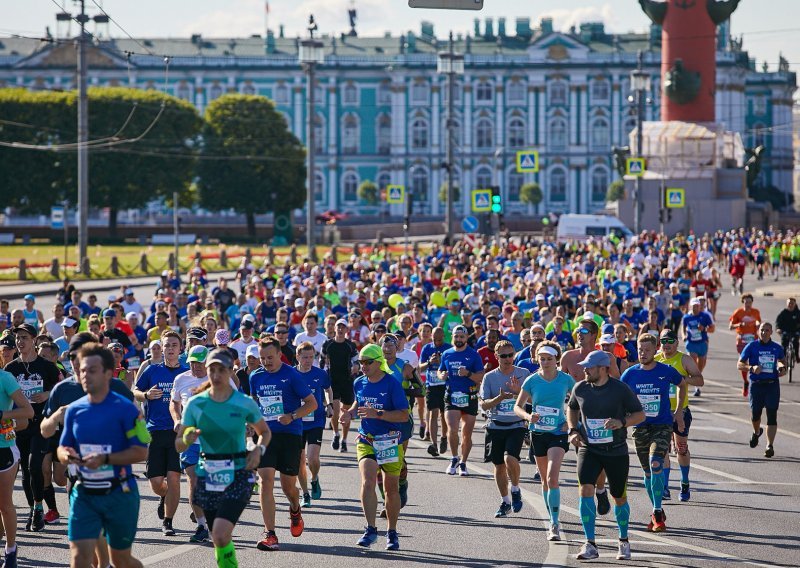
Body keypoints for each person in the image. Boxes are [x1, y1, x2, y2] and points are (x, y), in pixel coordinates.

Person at [57, 343, 150, 568]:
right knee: (79, 559)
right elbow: (62, 448)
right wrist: (66, 455)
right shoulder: (74, 410)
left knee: (120, 559)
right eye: (82, 371)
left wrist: (106, 459)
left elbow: (141, 451)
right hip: (85, 493)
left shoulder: (127, 409)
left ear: (108, 373)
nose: (85, 375)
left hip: (119, 493)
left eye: (92, 370)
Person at [176, 347, 270, 568]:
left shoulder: (243, 402)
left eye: (221, 370)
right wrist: (188, 437)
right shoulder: (196, 404)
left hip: (238, 472)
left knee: (219, 533)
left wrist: (258, 450)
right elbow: (179, 444)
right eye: (212, 370)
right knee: (219, 539)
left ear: (230, 371)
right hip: (207, 473)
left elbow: (265, 432)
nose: (216, 375)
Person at [566, 350, 645, 561]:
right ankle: (590, 543)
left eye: (589, 367)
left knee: (619, 496)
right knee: (585, 489)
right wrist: (573, 430)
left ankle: (624, 540)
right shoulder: (580, 387)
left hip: (616, 450)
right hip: (589, 448)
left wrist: (622, 422)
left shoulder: (620, 389)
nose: (584, 370)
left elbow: (640, 414)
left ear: (603, 368)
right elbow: (571, 408)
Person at [250, 336, 317, 551]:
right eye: (262, 358)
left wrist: (292, 416)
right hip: (266, 435)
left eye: (270, 357)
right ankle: (270, 533)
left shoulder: (291, 375)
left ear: (279, 355)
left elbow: (312, 403)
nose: (266, 362)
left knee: (288, 487)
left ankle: (295, 509)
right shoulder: (255, 376)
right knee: (265, 480)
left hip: (290, 435)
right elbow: (254, 403)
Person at [340, 343, 409, 550]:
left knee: (390, 490)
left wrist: (378, 414)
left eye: (367, 362)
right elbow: (358, 405)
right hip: (366, 439)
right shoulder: (359, 382)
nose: (363, 366)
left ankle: (392, 531)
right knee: (368, 481)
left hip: (389, 440)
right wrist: (349, 414)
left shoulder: (392, 384)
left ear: (378, 362)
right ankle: (370, 529)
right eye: (360, 362)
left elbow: (403, 415)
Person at [620, 334, 686, 532]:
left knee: (656, 462)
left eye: (647, 350)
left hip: (662, 425)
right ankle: (656, 508)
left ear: (655, 350)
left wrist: (679, 410)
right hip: (640, 427)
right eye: (640, 350)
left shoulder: (666, 371)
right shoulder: (630, 374)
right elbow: (620, 397)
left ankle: (657, 511)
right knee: (648, 473)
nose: (643, 353)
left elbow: (682, 384)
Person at [4, 323, 61, 532]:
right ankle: (33, 508)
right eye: (18, 338)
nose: (20, 342)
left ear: (34, 341)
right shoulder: (11, 368)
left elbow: (61, 386)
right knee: (26, 472)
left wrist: (47, 394)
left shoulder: (46, 367)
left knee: (35, 465)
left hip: (41, 424)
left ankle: (38, 508)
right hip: (19, 426)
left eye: (24, 338)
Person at [515, 341, 574, 541]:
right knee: (544, 480)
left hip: (558, 432)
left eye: (549, 359)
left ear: (557, 359)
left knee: (552, 477)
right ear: (537, 359)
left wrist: (570, 422)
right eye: (542, 359)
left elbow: (578, 402)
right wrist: (527, 416)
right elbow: (518, 406)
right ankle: (552, 519)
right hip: (538, 433)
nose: (546, 362)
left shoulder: (566, 380)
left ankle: (555, 524)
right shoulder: (531, 380)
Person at [133, 330, 188, 536]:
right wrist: (146, 395)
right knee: (157, 482)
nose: (170, 348)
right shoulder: (152, 370)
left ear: (180, 348)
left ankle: (168, 521)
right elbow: (135, 391)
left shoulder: (187, 373)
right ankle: (164, 497)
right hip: (155, 430)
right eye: (167, 345)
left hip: (178, 432)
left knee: (173, 477)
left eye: (174, 345)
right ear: (161, 349)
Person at [654, 329, 704, 502]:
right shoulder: (655, 360)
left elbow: (700, 380)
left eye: (670, 341)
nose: (666, 345)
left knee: (680, 449)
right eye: (663, 341)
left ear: (676, 342)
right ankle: (666, 486)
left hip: (680, 411)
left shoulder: (684, 359)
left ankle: (684, 481)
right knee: (663, 449)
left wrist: (682, 379)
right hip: (660, 413)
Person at [170, 345, 212, 543]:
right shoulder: (181, 379)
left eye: (199, 363)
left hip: (215, 441)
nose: (195, 367)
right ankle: (202, 525)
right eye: (192, 363)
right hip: (190, 439)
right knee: (193, 479)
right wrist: (177, 419)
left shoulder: (218, 378)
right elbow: (174, 402)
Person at [479, 340, 526, 518]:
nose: (508, 359)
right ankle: (505, 501)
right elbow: (484, 405)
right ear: (496, 356)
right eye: (504, 356)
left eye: (511, 355)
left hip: (516, 424)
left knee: (510, 459)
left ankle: (515, 489)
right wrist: (499, 398)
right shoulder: (489, 377)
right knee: (498, 466)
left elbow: (532, 400)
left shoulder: (523, 373)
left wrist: (517, 391)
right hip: (495, 425)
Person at [437, 325, 485, 476]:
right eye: (456, 337)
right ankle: (454, 457)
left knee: (467, 434)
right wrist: (441, 375)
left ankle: (463, 462)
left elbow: (481, 375)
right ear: (453, 338)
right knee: (452, 429)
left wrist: (468, 373)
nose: (459, 339)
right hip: (451, 396)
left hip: (469, 396)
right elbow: (440, 370)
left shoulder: (473, 354)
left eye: (461, 337)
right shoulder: (446, 354)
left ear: (466, 339)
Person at [0, 360, 34, 568]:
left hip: (4, 448)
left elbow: (28, 412)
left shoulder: (5, 378)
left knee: (4, 504)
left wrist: (3, 415)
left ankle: (11, 550)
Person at [737, 322, 787, 458]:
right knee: (755, 414)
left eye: (767, 330)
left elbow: (783, 361)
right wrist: (751, 368)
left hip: (772, 385)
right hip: (756, 385)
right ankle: (756, 431)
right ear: (758, 331)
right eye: (762, 330)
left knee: (772, 414)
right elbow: (740, 364)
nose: (764, 332)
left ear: (771, 332)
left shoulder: (776, 348)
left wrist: (782, 368)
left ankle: (769, 445)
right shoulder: (752, 346)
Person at [295, 342, 332, 508]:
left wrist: (329, 404)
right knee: (299, 461)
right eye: (305, 357)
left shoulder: (320, 374)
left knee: (313, 458)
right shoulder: (291, 374)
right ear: (298, 357)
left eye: (311, 357)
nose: (308, 360)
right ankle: (305, 494)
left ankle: (315, 478)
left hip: (316, 420)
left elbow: (327, 389)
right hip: (296, 422)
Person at [320, 319, 358, 454]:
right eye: (338, 327)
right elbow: (322, 361)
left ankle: (344, 439)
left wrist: (356, 367)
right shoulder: (328, 344)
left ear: (347, 330)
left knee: (346, 413)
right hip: (333, 381)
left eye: (343, 327)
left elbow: (356, 360)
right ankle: (336, 434)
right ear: (334, 329)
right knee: (335, 412)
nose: (341, 330)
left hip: (347, 381)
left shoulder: (350, 345)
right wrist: (322, 375)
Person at [419, 327, 451, 456]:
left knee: (444, 414)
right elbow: (419, 368)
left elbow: (452, 366)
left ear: (443, 336)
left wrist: (441, 362)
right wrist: (429, 362)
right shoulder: (427, 348)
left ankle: (443, 437)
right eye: (434, 339)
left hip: (445, 385)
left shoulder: (448, 348)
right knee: (433, 413)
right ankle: (434, 444)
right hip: (431, 385)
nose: (437, 342)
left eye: (439, 339)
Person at [729, 294, 762, 396]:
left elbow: (759, 323)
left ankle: (753, 380)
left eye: (749, 302)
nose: (748, 304)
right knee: (743, 360)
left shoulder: (756, 312)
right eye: (746, 302)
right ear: (743, 302)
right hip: (742, 340)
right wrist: (739, 324)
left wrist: (758, 324)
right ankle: (745, 381)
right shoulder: (738, 312)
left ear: (752, 302)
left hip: (753, 339)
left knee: (754, 360)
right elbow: (730, 327)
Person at [775, 297, 800, 363]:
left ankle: (797, 356)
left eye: (792, 303)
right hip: (785, 331)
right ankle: (783, 359)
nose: (791, 305)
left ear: (795, 304)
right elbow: (778, 322)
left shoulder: (798, 313)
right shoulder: (783, 313)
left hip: (795, 331)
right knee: (784, 344)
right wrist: (778, 329)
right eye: (789, 303)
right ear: (787, 304)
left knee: (796, 342)